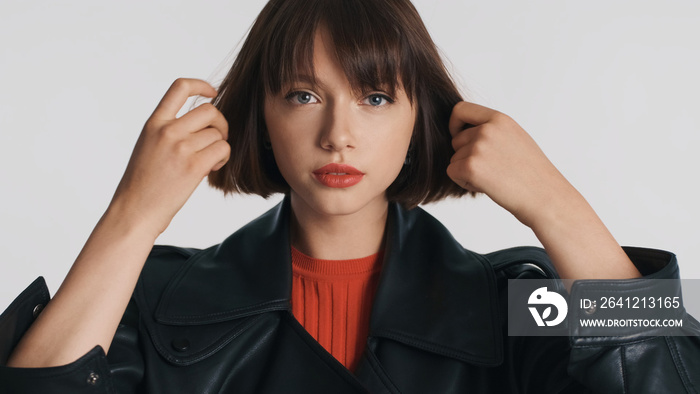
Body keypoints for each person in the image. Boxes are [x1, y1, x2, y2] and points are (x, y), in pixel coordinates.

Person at [1, 0, 698, 392]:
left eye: (373, 97)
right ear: (261, 118)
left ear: (417, 118)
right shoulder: (151, 297)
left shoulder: (512, 299)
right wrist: (132, 218)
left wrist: (559, 205)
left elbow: (666, 383)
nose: (338, 134)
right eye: (303, 95)